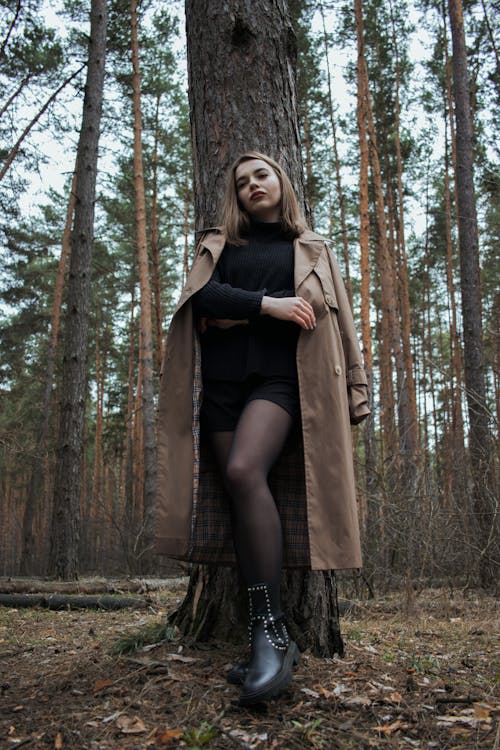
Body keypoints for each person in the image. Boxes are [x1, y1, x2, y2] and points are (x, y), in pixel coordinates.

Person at [155, 151, 370, 706]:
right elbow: (201, 297)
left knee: (245, 468)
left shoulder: (311, 248)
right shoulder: (221, 247)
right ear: (236, 194)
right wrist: (268, 306)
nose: (253, 185)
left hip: (280, 383)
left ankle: (271, 631)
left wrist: (357, 386)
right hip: (222, 388)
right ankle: (261, 638)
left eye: (263, 176)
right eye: (243, 181)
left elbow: (337, 317)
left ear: (281, 183)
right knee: (237, 490)